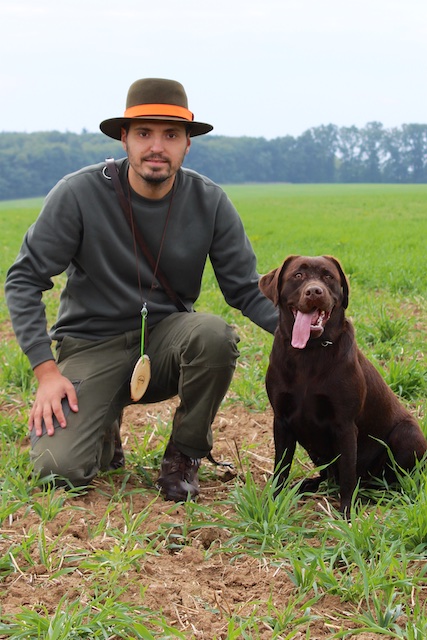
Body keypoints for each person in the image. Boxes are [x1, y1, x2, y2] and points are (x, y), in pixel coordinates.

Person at [5, 78, 278, 501]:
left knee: (213, 335)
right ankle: (103, 433)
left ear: (188, 144)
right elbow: (24, 280)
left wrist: (307, 333)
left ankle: (184, 455)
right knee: (59, 471)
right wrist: (46, 372)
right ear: (124, 139)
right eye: (144, 133)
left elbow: (244, 288)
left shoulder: (210, 201)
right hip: (90, 345)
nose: (157, 146)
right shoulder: (78, 193)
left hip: (166, 341)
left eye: (171, 135)